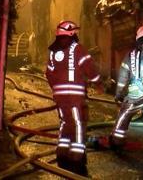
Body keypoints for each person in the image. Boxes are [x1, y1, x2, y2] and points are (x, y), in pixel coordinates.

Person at [44, 20, 102, 176]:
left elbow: (48, 74)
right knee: (78, 124)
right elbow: (90, 68)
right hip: (75, 97)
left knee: (65, 123)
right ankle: (77, 158)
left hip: (60, 97)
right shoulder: (78, 49)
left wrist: (56, 89)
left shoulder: (52, 52)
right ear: (71, 33)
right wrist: (98, 82)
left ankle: (62, 153)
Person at [111, 25, 143, 162]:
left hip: (136, 93)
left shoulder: (131, 55)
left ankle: (117, 141)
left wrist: (119, 94)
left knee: (124, 114)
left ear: (137, 38)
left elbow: (123, 77)